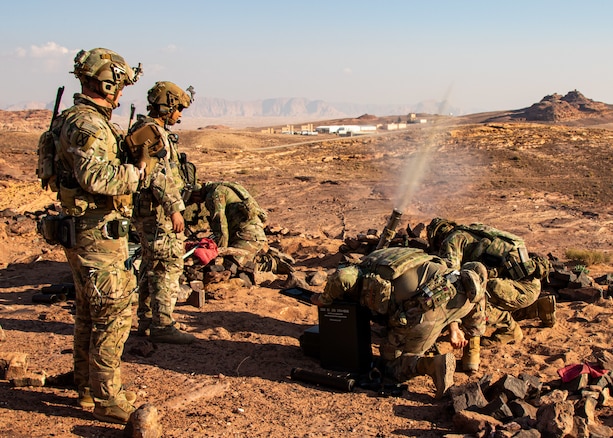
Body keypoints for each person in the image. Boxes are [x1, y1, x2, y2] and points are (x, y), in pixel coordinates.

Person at [54, 48, 143, 424]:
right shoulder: (89, 125)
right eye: (118, 85)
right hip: (97, 234)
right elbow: (96, 178)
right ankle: (107, 397)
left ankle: (86, 385)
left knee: (89, 312)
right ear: (107, 83)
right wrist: (135, 173)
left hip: (81, 231)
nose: (120, 93)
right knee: (115, 313)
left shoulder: (66, 119)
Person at [310, 247, 487, 398]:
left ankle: (431, 365)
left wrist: (323, 298)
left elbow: (342, 278)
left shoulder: (360, 272)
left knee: (391, 365)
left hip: (423, 318)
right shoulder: (407, 257)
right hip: (461, 301)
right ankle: (471, 358)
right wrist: (454, 327)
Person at [127, 81, 196, 344]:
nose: (179, 115)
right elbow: (156, 175)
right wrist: (175, 209)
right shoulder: (150, 132)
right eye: (178, 109)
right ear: (166, 105)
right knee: (167, 266)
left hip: (152, 212)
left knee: (150, 264)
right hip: (158, 213)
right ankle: (163, 325)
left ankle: (146, 321)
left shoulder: (149, 130)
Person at [426, 217, 554, 346]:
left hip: (520, 289)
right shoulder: (472, 232)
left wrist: (453, 324)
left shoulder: (452, 241)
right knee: (480, 284)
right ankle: (540, 308)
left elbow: (450, 279)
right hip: (528, 286)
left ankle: (510, 330)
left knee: (472, 297)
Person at [194, 181, 293, 274]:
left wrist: (219, 251)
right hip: (254, 232)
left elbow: (220, 225)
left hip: (247, 234)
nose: (196, 203)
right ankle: (268, 254)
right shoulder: (228, 186)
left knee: (233, 265)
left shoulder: (214, 194)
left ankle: (273, 264)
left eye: (193, 199)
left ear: (196, 193)